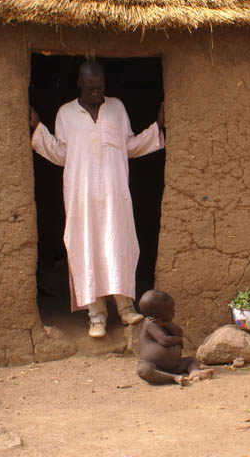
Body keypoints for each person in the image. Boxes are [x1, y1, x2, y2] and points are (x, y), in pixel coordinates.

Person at [29, 60, 165, 338]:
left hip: (115, 194)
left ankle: (126, 308)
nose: (96, 92)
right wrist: (37, 129)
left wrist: (157, 127)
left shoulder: (116, 108)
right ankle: (96, 317)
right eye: (90, 87)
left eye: (100, 86)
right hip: (82, 197)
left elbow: (128, 145)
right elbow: (60, 153)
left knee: (119, 245)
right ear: (79, 83)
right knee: (86, 249)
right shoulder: (66, 113)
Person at [136, 289, 214, 385]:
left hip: (175, 366)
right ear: (157, 315)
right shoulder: (150, 324)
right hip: (154, 366)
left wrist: (166, 324)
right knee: (143, 370)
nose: (174, 311)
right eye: (171, 310)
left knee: (192, 360)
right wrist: (178, 340)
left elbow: (179, 332)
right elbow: (165, 341)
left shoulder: (165, 323)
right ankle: (173, 378)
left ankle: (194, 371)